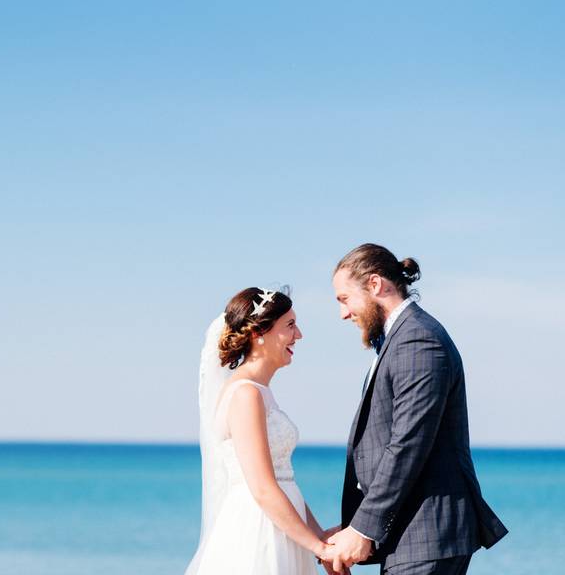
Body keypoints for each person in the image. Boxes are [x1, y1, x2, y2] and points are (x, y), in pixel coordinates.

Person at [325, 244, 508, 575]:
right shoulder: (399, 340)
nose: (343, 313)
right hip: (411, 537)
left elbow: (408, 444)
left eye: (344, 299)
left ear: (376, 285)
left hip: (428, 534)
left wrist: (362, 529)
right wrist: (351, 527)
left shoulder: (418, 340)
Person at [185, 287, 340, 575]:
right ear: (259, 333)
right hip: (258, 531)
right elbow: (263, 488)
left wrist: (319, 538)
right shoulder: (246, 395)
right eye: (290, 326)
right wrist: (318, 549)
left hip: (282, 528)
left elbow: (283, 480)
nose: (299, 335)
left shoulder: (260, 392)